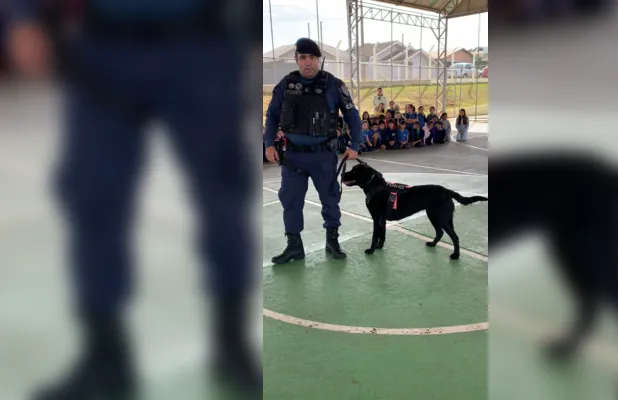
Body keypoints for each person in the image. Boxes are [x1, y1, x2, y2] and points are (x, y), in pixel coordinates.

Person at [5, 0, 261, 399]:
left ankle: (232, 345)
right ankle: (106, 358)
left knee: (223, 200)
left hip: (203, 46)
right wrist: (20, 15)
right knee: (93, 201)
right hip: (103, 50)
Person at [264, 38, 361, 264]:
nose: (308, 62)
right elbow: (272, 116)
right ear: (297, 59)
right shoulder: (286, 85)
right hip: (293, 157)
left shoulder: (334, 85)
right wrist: (268, 143)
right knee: (291, 200)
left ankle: (332, 242)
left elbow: (352, 116)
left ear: (319, 59)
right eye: (303, 57)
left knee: (330, 199)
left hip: (323, 156)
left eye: (312, 58)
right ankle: (294, 247)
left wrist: (355, 145)